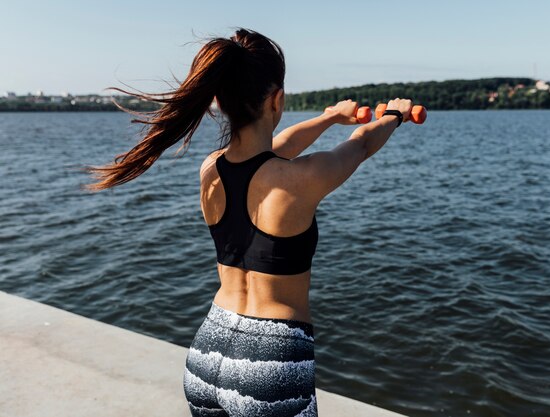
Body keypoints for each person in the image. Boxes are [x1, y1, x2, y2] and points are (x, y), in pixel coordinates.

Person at [82, 28, 413, 417]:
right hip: (271, 363)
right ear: (277, 100)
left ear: (221, 101)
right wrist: (395, 115)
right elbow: (359, 144)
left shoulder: (211, 171)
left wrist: (327, 117)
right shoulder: (301, 180)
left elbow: (278, 145)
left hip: (208, 351)